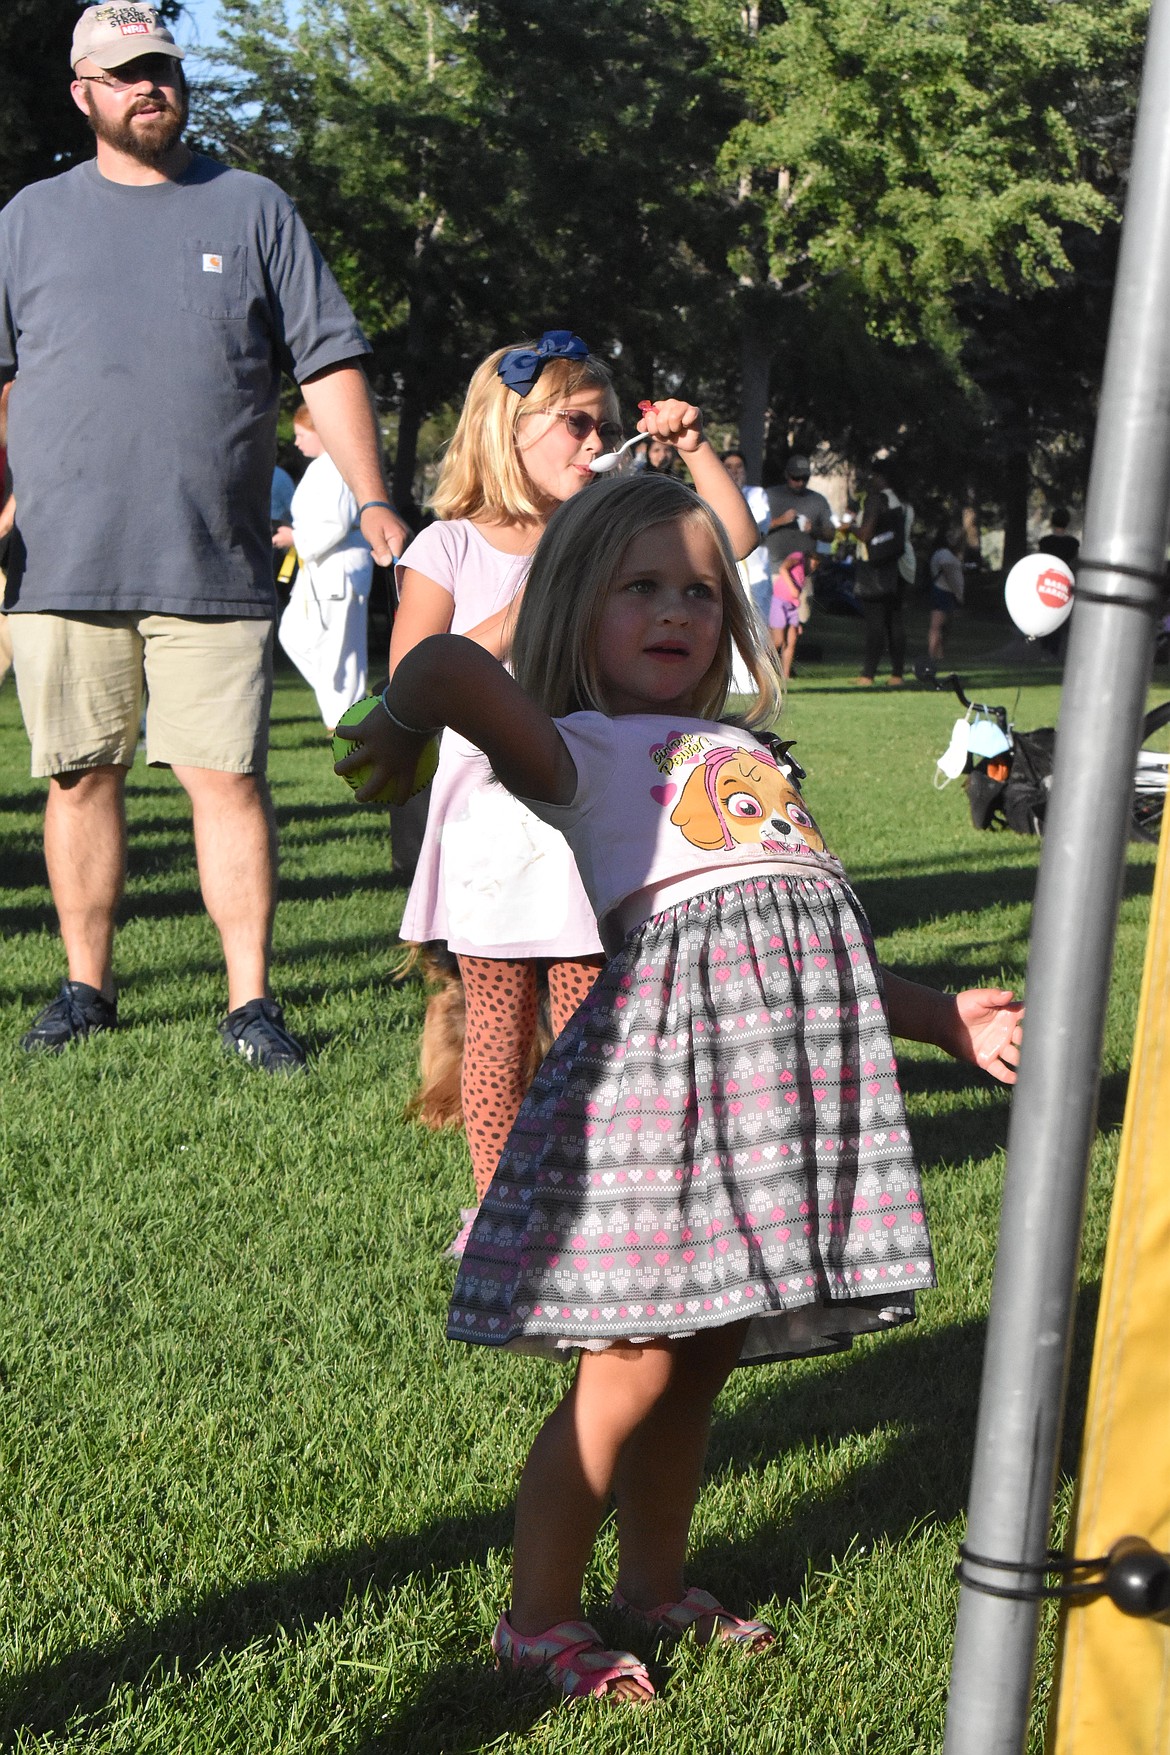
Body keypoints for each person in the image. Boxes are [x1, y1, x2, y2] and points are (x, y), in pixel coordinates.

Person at [337, 473, 1024, 1702]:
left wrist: (941, 1022)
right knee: (633, 1363)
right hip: (661, 1109)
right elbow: (443, 663)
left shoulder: (749, 754)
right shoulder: (581, 752)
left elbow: (823, 942)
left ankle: (654, 1587)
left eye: (700, 592)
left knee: (699, 1360)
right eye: (637, 588)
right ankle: (537, 1616)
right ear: (572, 611)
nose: (676, 612)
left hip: (764, 1111)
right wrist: (396, 722)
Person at [0, 4, 409, 1068]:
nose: (152, 87)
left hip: (212, 557)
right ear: (83, 92)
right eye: (127, 73)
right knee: (79, 775)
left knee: (225, 776)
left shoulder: (253, 208)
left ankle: (249, 1003)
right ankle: (85, 988)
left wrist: (372, 496)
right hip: (64, 556)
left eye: (165, 69)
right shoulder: (28, 219)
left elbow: (328, 361)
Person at [388, 333, 758, 1253]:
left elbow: (733, 541)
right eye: (577, 423)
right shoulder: (452, 544)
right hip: (497, 826)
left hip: (597, 818)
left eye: (605, 424)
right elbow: (410, 675)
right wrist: (531, 604)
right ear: (510, 427)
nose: (595, 442)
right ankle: (497, 1207)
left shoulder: (604, 529)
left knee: (595, 1016)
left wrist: (696, 449)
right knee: (498, 1023)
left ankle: (596, 1190)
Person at [274, 403, 373, 728]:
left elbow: (336, 523)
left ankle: (344, 723)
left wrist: (296, 537)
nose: (297, 442)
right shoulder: (322, 467)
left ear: (321, 432)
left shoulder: (337, 467)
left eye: (302, 435)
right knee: (294, 635)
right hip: (319, 568)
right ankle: (345, 710)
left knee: (338, 652)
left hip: (338, 569)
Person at [853, 459, 911, 686]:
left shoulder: (877, 500)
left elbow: (865, 534)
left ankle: (868, 673)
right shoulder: (904, 502)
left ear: (880, 477)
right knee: (895, 621)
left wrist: (850, 529)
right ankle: (897, 673)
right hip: (902, 563)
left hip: (877, 566)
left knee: (875, 621)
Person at [721, 447, 771, 627]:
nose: (734, 472)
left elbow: (758, 523)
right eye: (728, 467)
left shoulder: (757, 495)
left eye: (739, 467)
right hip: (726, 572)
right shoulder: (711, 496)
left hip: (757, 573)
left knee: (756, 630)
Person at [764, 452, 834, 575]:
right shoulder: (769, 496)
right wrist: (780, 521)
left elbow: (830, 535)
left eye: (805, 478)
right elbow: (752, 529)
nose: (800, 483)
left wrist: (813, 529)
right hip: (773, 572)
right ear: (786, 475)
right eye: (796, 478)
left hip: (803, 575)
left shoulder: (818, 500)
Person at [770, 546, 817, 679]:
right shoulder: (798, 557)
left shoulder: (803, 574)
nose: (813, 568)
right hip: (780, 601)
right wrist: (792, 588)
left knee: (792, 640)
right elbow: (783, 568)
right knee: (778, 640)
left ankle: (785, 675)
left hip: (792, 606)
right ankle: (760, 668)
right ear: (809, 558)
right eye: (814, 564)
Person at [927, 525, 965, 663]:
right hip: (942, 591)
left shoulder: (950, 555)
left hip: (948, 592)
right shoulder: (943, 554)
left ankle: (940, 653)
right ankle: (932, 655)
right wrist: (958, 594)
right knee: (937, 625)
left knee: (945, 626)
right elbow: (950, 575)